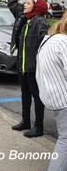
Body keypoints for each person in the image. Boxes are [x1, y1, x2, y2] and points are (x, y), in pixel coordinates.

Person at [8, 0, 49, 138]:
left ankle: (38, 127)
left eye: (29, 2)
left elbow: (45, 45)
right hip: (22, 65)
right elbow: (11, 2)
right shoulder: (24, 18)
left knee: (37, 96)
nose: (24, 4)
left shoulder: (41, 22)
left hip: (34, 67)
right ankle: (25, 120)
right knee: (25, 93)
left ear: (37, 7)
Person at [37, 13, 67, 171]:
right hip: (64, 100)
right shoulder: (64, 42)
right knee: (65, 141)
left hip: (54, 97)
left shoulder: (49, 39)